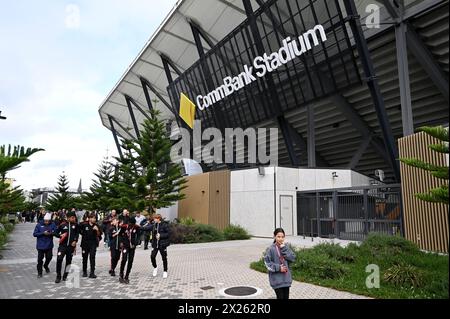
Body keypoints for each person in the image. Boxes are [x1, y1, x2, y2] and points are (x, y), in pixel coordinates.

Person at [264, 228, 296, 300]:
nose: (280, 239)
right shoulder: (270, 249)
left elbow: (293, 258)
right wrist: (279, 268)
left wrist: (284, 249)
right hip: (277, 280)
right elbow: (267, 263)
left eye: (282, 237)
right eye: (278, 237)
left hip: (286, 280)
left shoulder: (286, 247)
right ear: (274, 236)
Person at [54, 211, 79, 284]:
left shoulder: (75, 225)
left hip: (70, 247)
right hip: (62, 246)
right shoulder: (62, 225)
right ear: (68, 218)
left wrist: (75, 240)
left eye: (74, 217)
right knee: (59, 259)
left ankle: (65, 275)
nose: (73, 219)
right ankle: (58, 276)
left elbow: (77, 234)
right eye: (72, 217)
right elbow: (55, 233)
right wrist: (60, 236)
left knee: (68, 261)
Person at [143, 214, 170, 279]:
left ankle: (165, 271)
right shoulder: (154, 225)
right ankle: (155, 267)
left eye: (155, 218)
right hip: (155, 245)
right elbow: (147, 228)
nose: (154, 220)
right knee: (152, 256)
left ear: (158, 219)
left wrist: (160, 235)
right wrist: (138, 227)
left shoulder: (164, 225)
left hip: (162, 244)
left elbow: (168, 234)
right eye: (154, 218)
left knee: (164, 258)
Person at [33, 213, 57, 278]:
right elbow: (35, 234)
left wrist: (50, 233)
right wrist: (43, 233)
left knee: (49, 257)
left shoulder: (53, 224)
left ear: (50, 220)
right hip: (40, 245)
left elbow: (56, 232)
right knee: (40, 260)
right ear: (44, 220)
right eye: (45, 221)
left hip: (49, 245)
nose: (46, 222)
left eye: (48, 221)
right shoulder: (39, 225)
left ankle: (46, 265)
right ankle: (39, 272)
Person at [80, 212, 102, 279]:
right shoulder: (84, 225)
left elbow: (99, 235)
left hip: (93, 244)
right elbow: (78, 229)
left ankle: (92, 272)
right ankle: (84, 271)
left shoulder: (97, 225)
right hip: (85, 244)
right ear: (89, 219)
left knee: (92, 257)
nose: (94, 219)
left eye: (95, 218)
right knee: (85, 258)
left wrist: (97, 230)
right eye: (92, 218)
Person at [119, 217, 140, 284]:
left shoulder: (136, 227)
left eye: (133, 224)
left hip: (132, 246)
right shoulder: (124, 227)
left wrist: (136, 243)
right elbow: (120, 235)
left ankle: (127, 276)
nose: (131, 226)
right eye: (130, 224)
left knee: (130, 260)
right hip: (125, 245)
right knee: (124, 259)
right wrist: (121, 242)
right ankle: (121, 274)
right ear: (128, 223)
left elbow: (139, 236)